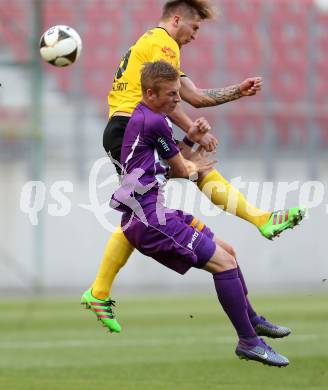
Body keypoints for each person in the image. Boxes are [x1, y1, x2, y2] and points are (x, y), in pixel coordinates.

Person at [81, 0, 305, 333]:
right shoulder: (162, 43)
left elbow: (193, 96)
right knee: (180, 182)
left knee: (146, 209)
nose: (196, 35)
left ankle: (98, 291)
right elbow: (164, 97)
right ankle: (261, 219)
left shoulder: (156, 45)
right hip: (133, 128)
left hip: (130, 128)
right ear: (176, 20)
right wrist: (192, 130)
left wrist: (236, 92)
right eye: (195, 28)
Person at [110, 61, 290, 367]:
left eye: (179, 94)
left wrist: (190, 138)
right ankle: (249, 341)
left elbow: (173, 164)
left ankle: (252, 320)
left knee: (228, 252)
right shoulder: (154, 122)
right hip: (150, 220)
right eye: (171, 95)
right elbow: (182, 169)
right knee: (223, 264)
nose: (178, 101)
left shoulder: (148, 117)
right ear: (150, 93)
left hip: (155, 212)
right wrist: (194, 166)